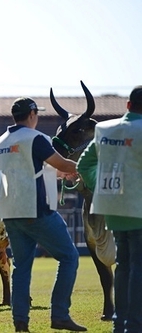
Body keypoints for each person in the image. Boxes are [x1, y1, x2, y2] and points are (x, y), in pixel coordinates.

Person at [0, 97, 87, 332]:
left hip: (9, 211)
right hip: (36, 209)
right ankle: (59, 314)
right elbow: (61, 162)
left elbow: (26, 169)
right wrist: (83, 168)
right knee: (69, 257)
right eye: (37, 113)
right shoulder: (36, 138)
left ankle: (20, 322)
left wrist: (58, 173)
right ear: (32, 113)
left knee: (21, 268)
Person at [77, 86, 142, 333]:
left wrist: (104, 185)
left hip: (112, 207)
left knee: (124, 265)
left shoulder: (104, 129)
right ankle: (135, 324)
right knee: (137, 265)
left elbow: (84, 165)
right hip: (138, 207)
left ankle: (120, 322)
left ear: (127, 105)